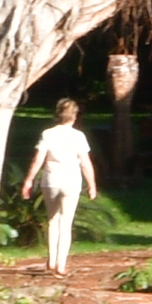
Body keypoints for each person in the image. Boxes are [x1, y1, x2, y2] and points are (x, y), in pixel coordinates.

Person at [24, 96, 98, 273]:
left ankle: (51, 259)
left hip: (51, 179)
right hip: (71, 180)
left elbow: (38, 159)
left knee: (53, 220)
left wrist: (29, 179)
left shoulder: (48, 134)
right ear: (74, 116)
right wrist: (92, 184)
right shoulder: (78, 136)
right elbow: (85, 162)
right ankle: (61, 264)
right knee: (66, 222)